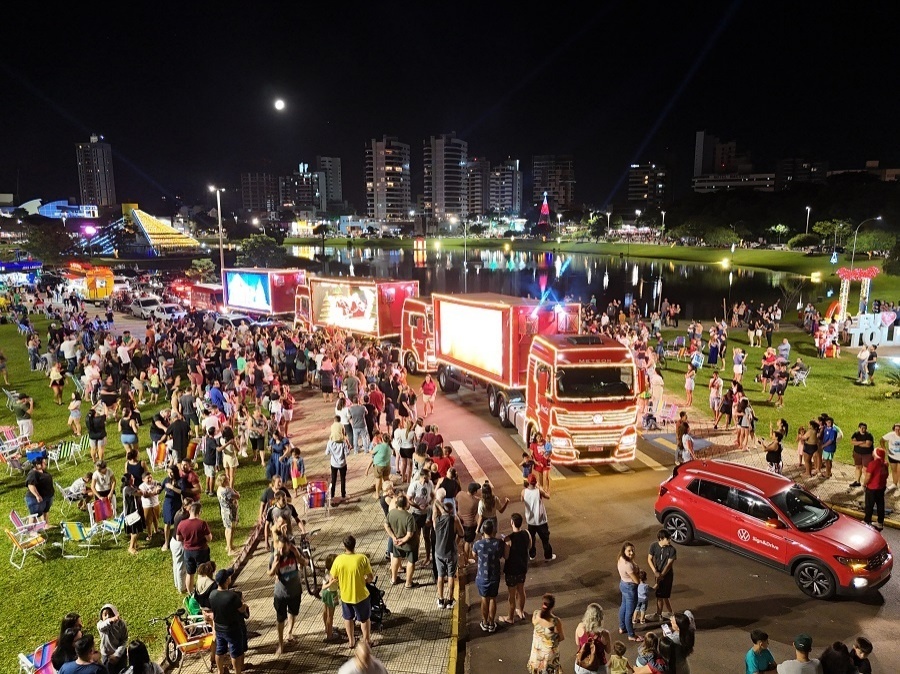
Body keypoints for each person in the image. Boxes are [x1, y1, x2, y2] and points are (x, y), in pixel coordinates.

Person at [325, 534, 375, 649]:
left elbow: (332, 578)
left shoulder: (338, 560)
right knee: (364, 619)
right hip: (361, 595)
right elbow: (370, 577)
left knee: (348, 618)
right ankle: (367, 641)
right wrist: (364, 580)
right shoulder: (362, 558)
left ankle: (351, 641)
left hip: (345, 595)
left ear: (344, 546)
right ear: (354, 545)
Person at [268, 532, 304, 656]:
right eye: (279, 547)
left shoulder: (295, 552)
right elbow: (269, 573)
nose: (281, 550)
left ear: (289, 545)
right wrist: (274, 567)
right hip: (280, 593)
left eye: (283, 548)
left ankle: (289, 632)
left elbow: (304, 562)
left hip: (295, 591)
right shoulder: (275, 556)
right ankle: (280, 643)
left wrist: (298, 554)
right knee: (280, 618)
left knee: (293, 612)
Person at [209, 568, 250, 674]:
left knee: (220, 650)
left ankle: (220, 671)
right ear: (227, 580)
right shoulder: (232, 596)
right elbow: (241, 609)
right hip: (232, 629)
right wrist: (245, 605)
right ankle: (237, 672)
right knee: (235, 652)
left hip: (219, 627)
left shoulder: (212, 595)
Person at [499, 512, 532, 625]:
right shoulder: (527, 533)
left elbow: (506, 556)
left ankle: (510, 617)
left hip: (511, 570)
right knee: (521, 590)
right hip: (522, 567)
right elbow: (529, 546)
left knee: (512, 595)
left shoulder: (509, 539)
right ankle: (521, 611)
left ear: (512, 523)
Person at [473, 519, 505, 633]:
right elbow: (502, 555)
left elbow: (474, 555)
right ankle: (492, 623)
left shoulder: (478, 544)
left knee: (484, 599)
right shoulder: (498, 543)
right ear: (493, 531)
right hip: (494, 576)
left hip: (482, 576)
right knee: (493, 599)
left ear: (483, 531)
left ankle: (484, 622)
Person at [433, 496, 464, 609]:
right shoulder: (454, 519)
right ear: (452, 510)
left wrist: (442, 508)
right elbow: (461, 533)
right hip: (451, 552)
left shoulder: (436, 519)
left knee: (440, 576)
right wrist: (456, 542)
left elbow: (435, 502)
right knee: (451, 576)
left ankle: (440, 600)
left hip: (439, 551)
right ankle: (450, 601)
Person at [177, 501, 213, 594]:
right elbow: (209, 538)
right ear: (199, 512)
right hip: (201, 551)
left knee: (190, 573)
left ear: (190, 511)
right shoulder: (202, 523)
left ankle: (190, 593)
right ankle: (202, 591)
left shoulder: (182, 523)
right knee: (202, 572)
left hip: (188, 552)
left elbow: (178, 538)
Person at [385, 493, 419, 588]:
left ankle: (393, 579)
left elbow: (386, 525)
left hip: (396, 543)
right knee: (411, 561)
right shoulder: (409, 517)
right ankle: (408, 583)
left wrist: (394, 538)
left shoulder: (391, 513)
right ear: (405, 505)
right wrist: (403, 540)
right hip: (409, 544)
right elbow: (410, 534)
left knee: (396, 558)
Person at [525, 593, 564, 674]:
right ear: (552, 606)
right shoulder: (555, 621)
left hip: (537, 652)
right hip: (548, 655)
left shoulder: (536, 614)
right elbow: (561, 637)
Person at [521, 474, 555, 561]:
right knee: (545, 539)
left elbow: (522, 500)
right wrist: (545, 490)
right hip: (541, 520)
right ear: (535, 482)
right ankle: (548, 556)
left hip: (531, 520)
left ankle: (532, 555)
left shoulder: (524, 492)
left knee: (531, 538)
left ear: (528, 482)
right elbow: (548, 496)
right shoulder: (539, 491)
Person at [646, 529, 676, 620]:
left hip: (667, 576)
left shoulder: (672, 549)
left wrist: (661, 575)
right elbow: (649, 559)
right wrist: (655, 571)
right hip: (658, 574)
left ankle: (659, 615)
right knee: (662, 595)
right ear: (661, 539)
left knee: (662, 595)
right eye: (668, 539)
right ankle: (671, 614)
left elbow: (669, 564)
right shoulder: (654, 546)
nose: (670, 541)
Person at [574, 603, 611, 674]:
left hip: (582, 664)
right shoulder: (604, 634)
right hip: (599, 667)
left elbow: (577, 643)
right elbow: (608, 650)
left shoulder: (580, 627)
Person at [617, 542, 643, 642]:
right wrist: (638, 573)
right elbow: (636, 581)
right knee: (629, 613)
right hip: (630, 588)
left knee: (623, 606)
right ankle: (631, 635)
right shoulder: (628, 565)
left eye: (632, 550)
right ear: (624, 551)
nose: (631, 552)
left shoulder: (621, 559)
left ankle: (622, 627)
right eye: (629, 551)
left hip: (623, 584)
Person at [97, 604, 129, 674]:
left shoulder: (121, 624)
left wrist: (117, 655)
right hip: (107, 655)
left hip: (120, 655)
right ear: (101, 616)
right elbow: (102, 626)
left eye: (111, 614)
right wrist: (111, 620)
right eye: (105, 614)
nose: (108, 616)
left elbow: (124, 640)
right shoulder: (100, 624)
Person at [863, 446, 888, 530]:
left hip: (872, 488)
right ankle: (880, 522)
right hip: (881, 487)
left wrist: (864, 484)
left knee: (869, 505)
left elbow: (868, 477)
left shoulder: (872, 464)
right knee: (880, 505)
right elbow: (886, 475)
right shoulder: (885, 464)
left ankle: (867, 521)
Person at [24, 454, 54, 524]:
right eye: (43, 462)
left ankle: (46, 525)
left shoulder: (41, 471)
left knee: (45, 511)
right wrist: (37, 496)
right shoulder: (33, 473)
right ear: (37, 465)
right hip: (36, 499)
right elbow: (31, 485)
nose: (45, 463)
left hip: (47, 496)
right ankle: (31, 531)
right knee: (34, 514)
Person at [216, 472, 241, 555]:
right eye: (227, 479)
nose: (229, 479)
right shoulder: (227, 490)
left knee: (227, 529)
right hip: (230, 512)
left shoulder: (219, 489)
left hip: (224, 511)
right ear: (224, 481)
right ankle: (230, 550)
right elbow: (237, 496)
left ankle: (229, 545)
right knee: (230, 529)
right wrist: (234, 490)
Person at [325, 419, 349, 501]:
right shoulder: (343, 443)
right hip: (342, 463)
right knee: (343, 479)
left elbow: (326, 453)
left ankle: (332, 495)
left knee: (333, 479)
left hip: (333, 464)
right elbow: (347, 453)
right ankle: (343, 494)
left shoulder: (330, 442)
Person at [849, 422, 875, 488]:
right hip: (857, 453)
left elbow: (868, 445)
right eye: (862, 428)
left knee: (866, 469)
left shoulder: (869, 435)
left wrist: (857, 443)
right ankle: (857, 481)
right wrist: (862, 442)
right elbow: (852, 442)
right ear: (859, 428)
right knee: (858, 467)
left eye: (865, 428)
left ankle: (867, 484)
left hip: (867, 454)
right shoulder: (856, 434)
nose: (863, 429)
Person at [880, 422, 900, 491]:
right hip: (892, 457)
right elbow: (882, 440)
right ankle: (894, 484)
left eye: (899, 429)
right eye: (896, 429)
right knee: (894, 470)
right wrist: (886, 450)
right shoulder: (891, 435)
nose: (897, 431)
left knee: (899, 471)